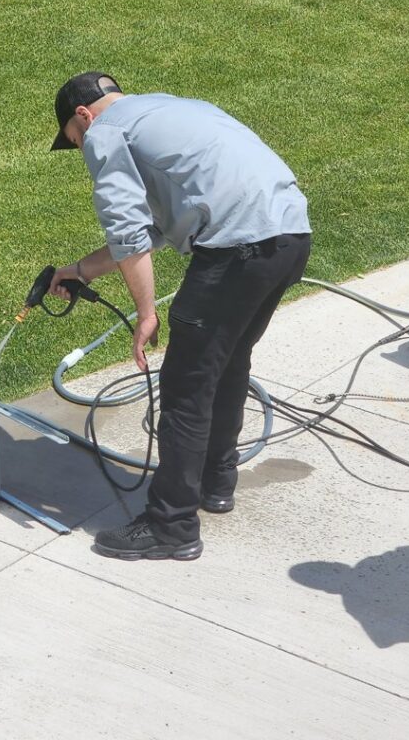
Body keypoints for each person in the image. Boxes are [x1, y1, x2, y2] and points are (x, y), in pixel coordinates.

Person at [48, 71, 311, 561]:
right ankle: (216, 482)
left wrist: (146, 312)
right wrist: (79, 270)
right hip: (290, 238)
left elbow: (128, 231)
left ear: (83, 116)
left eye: (75, 138)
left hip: (238, 250)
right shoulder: (170, 108)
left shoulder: (105, 132)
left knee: (186, 384)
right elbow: (156, 231)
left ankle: (171, 526)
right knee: (227, 363)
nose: (82, 146)